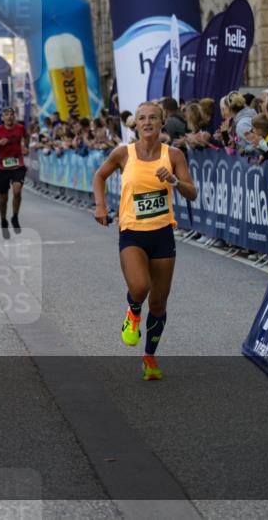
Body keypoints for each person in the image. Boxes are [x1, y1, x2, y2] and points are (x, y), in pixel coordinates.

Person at [91, 102, 197, 381]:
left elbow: (192, 193)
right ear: (135, 124)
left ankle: (149, 357)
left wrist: (174, 180)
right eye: (142, 118)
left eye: (153, 118)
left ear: (162, 122)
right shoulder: (123, 153)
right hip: (132, 233)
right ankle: (133, 312)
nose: (147, 122)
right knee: (140, 287)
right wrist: (100, 205)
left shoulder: (173, 155)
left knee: (159, 304)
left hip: (162, 234)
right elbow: (100, 176)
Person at [0, 107, 28, 238]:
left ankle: (15, 217)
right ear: (2, 118)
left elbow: (26, 137)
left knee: (17, 191)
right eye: (6, 114)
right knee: (3, 199)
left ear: (14, 117)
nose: (9, 116)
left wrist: (25, 147)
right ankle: (3, 220)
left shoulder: (20, 128)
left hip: (18, 166)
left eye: (12, 114)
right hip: (2, 169)